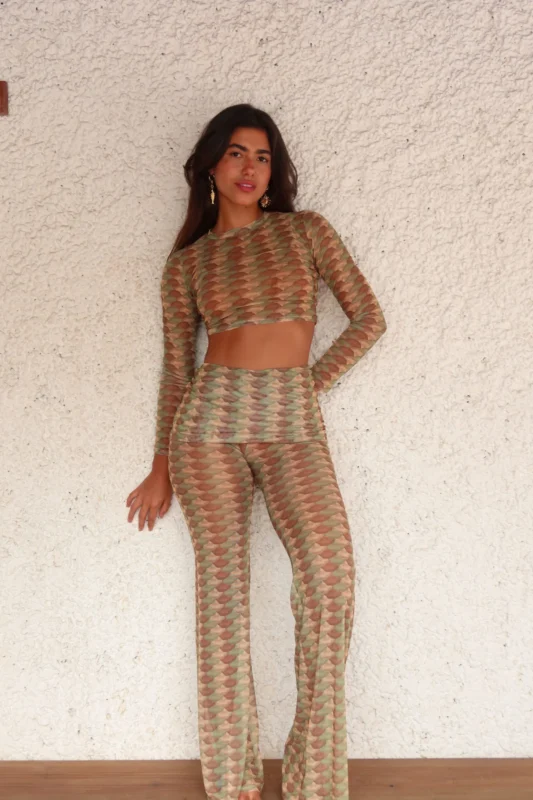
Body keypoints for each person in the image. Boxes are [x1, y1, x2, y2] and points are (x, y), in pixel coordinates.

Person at [126, 103, 387, 800]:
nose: (250, 168)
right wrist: (159, 465)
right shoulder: (188, 264)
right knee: (222, 598)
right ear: (210, 166)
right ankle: (233, 781)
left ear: (275, 171)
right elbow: (177, 369)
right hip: (206, 429)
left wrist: (302, 387)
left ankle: (312, 780)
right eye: (237, 153)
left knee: (329, 579)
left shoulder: (305, 232)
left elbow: (369, 319)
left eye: (263, 156)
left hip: (292, 427)